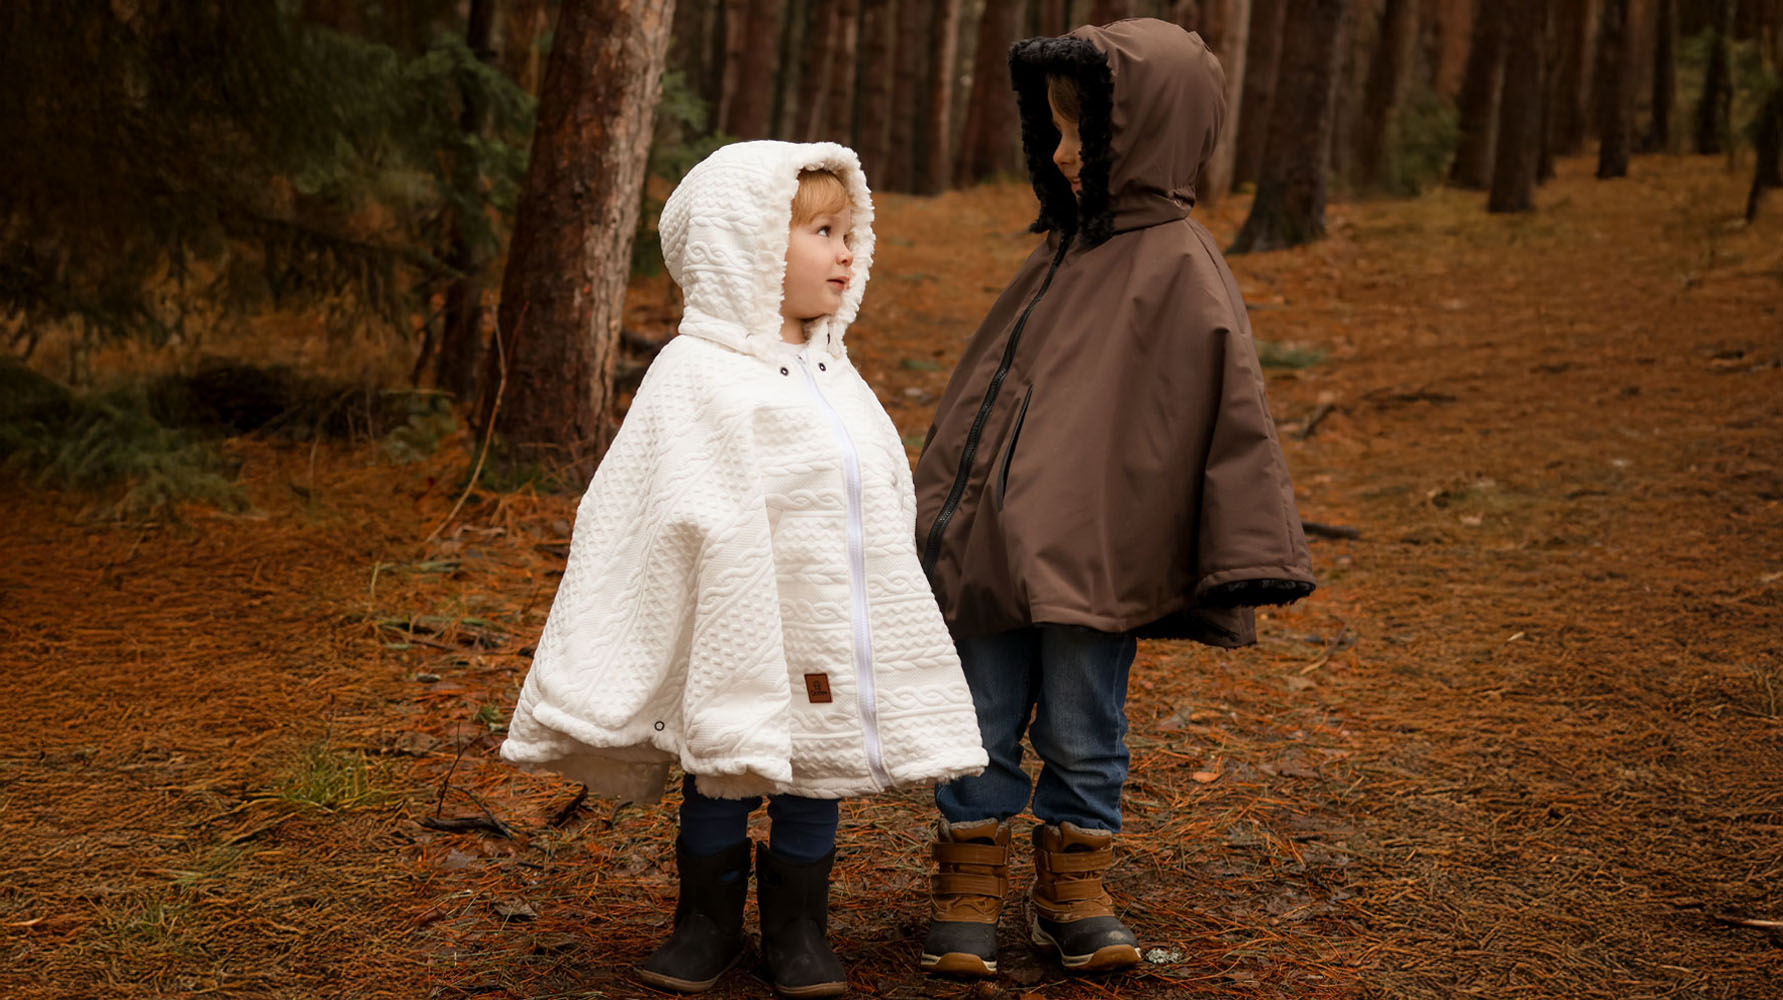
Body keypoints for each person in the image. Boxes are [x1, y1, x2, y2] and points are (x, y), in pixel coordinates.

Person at [500, 140, 987, 998]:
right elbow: (638, 505)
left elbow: (872, 492)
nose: (845, 252)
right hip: (736, 616)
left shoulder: (840, 373)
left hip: (824, 621)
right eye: (821, 231)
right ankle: (705, 925)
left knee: (813, 769)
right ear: (747, 245)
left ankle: (799, 930)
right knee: (726, 766)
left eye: (848, 232)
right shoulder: (697, 373)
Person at [912, 19, 1317, 977]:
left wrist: (1244, 549)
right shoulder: (1056, 255)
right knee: (977, 718)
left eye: (1078, 134)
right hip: (993, 549)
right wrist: (937, 515)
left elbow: (1226, 425)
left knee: (1085, 726)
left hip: (1096, 559)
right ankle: (966, 883)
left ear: (1141, 135)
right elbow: (983, 406)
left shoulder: (1179, 269)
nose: (1059, 155)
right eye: (1050, 133)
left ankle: (1074, 886)